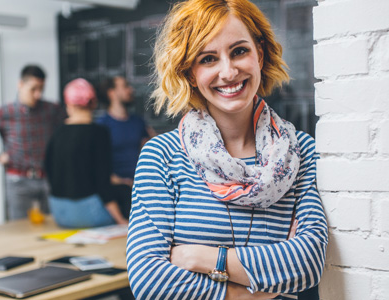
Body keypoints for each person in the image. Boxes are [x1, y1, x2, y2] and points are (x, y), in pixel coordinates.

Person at [126, 1, 328, 299]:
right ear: (190, 73)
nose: (228, 71)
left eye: (239, 51)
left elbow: (308, 264)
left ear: (259, 54)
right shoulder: (162, 155)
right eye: (208, 59)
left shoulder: (301, 153)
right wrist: (257, 293)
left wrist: (199, 258)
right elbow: (149, 280)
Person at [0, 65, 65, 221]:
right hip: (19, 181)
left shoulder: (51, 109)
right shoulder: (5, 111)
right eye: (33, 89)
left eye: (41, 89)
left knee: (54, 226)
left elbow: (67, 133)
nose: (38, 94)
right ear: (20, 84)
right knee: (20, 230)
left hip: (48, 179)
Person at [44, 78, 128, 228]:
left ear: (68, 105)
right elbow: (103, 182)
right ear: (94, 103)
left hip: (59, 213)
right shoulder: (99, 133)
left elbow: (48, 172)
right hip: (89, 215)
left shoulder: (56, 133)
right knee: (126, 191)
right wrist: (121, 220)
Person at [97, 76, 155, 219]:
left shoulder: (138, 122)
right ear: (112, 93)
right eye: (125, 86)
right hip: (116, 189)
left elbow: (154, 148)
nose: (131, 90)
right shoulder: (102, 125)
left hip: (140, 186)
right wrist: (122, 181)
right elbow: (96, 165)